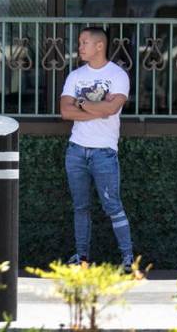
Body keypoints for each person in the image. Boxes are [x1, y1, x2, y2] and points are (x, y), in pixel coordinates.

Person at [59, 26, 134, 273]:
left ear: (99, 46)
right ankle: (81, 258)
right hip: (76, 150)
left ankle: (128, 259)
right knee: (80, 207)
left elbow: (111, 110)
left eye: (84, 43)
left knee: (113, 205)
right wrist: (95, 107)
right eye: (80, 43)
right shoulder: (75, 76)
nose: (79, 47)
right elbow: (65, 112)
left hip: (104, 151)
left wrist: (81, 104)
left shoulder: (118, 75)